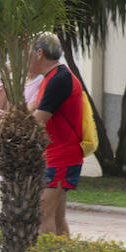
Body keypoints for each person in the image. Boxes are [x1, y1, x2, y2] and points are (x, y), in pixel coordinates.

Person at [31, 31, 86, 237]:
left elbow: (38, 120)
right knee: (55, 216)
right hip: (57, 156)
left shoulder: (59, 79)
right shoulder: (52, 77)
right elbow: (32, 108)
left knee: (43, 215)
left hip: (61, 158)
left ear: (39, 53)